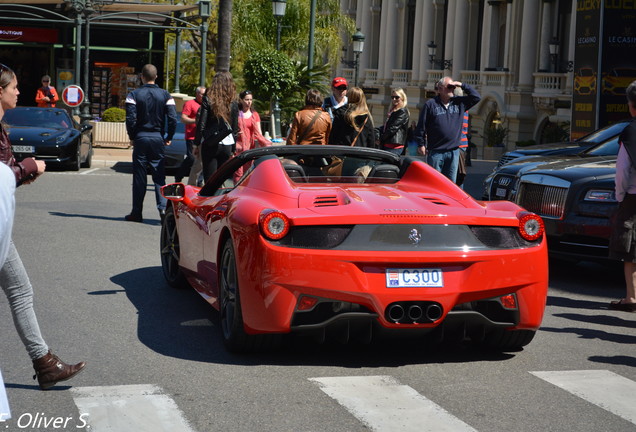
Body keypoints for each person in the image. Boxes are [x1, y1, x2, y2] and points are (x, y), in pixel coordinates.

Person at [0, 62, 85, 390]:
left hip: (2, 230)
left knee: (21, 289)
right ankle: (45, 363)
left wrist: (21, 174)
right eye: (14, 87)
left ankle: (45, 363)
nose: (19, 92)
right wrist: (26, 167)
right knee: (20, 290)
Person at [124, 64, 177, 223]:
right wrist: (169, 136)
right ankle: (162, 207)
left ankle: (136, 212)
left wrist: (132, 136)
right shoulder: (166, 95)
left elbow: (130, 119)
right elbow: (173, 119)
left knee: (139, 177)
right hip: (157, 138)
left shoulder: (133, 95)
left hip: (141, 137)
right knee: (159, 176)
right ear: (156, 77)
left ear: (142, 77)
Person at [414, 77, 481, 183]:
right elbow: (421, 125)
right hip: (436, 151)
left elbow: (476, 97)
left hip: (453, 151)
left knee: (450, 184)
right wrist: (421, 144)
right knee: (434, 182)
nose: (452, 89)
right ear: (440, 89)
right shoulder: (430, 104)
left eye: (453, 87)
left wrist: (461, 84)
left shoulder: (459, 103)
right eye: (449, 87)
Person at [608, 80, 636, 312]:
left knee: (631, 250)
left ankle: (631, 297)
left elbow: (622, 171)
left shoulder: (630, 131)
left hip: (633, 198)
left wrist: (620, 197)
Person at [194, 72, 239, 182]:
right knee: (220, 181)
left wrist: (196, 143)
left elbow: (201, 124)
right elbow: (234, 128)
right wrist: (233, 149)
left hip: (211, 143)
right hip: (227, 145)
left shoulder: (208, 100)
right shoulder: (233, 103)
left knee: (210, 181)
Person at [234, 90, 272, 182]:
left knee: (248, 173)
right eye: (247, 99)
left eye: (251, 99)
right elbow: (231, 129)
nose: (249, 102)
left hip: (250, 148)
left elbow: (259, 133)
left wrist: (265, 143)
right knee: (238, 173)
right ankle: (237, 193)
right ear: (241, 100)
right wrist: (235, 133)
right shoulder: (236, 113)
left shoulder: (255, 115)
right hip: (238, 148)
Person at [176, 86, 205, 183]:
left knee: (201, 161)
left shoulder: (206, 105)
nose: (204, 96)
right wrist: (196, 121)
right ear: (197, 94)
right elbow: (183, 118)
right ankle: (179, 175)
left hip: (203, 137)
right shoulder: (190, 104)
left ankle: (199, 181)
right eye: (202, 94)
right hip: (191, 136)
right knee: (192, 158)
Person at [377, 88, 410, 155]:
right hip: (388, 144)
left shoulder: (402, 112)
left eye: (397, 97)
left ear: (402, 98)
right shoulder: (393, 111)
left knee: (387, 165)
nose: (394, 99)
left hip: (394, 147)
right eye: (392, 97)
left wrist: (381, 139)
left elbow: (392, 128)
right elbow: (386, 126)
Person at [323, 77, 349, 146]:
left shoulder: (350, 103)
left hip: (346, 141)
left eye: (344, 88)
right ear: (333, 88)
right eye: (339, 88)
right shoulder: (326, 103)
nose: (341, 90)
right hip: (330, 140)